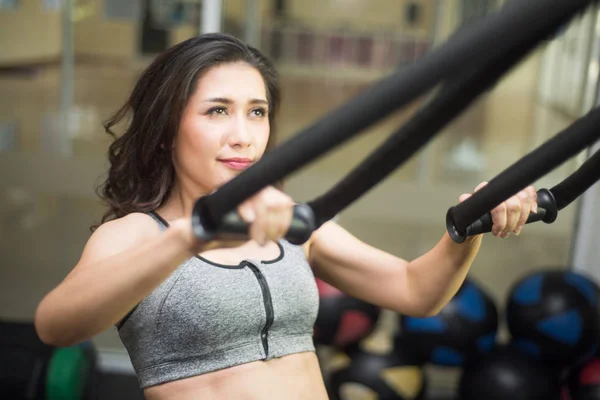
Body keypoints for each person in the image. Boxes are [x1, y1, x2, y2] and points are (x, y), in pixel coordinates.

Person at [34, 33, 538, 400]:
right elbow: (55, 327)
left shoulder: (293, 225)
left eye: (257, 111)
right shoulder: (139, 235)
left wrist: (469, 225)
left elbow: (415, 291)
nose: (243, 134)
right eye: (217, 111)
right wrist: (189, 238)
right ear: (168, 129)